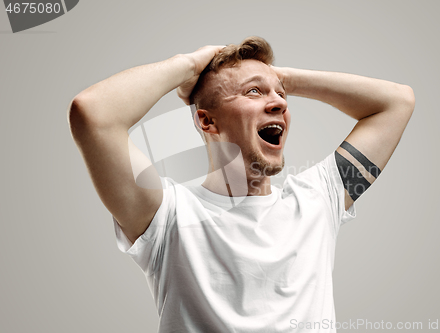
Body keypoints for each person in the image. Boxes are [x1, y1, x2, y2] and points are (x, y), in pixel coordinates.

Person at [68, 36, 415, 332]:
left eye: (281, 96)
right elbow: (93, 113)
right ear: (207, 122)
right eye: (254, 92)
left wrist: (283, 79)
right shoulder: (165, 217)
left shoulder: (320, 199)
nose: (279, 103)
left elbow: (395, 103)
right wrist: (188, 65)